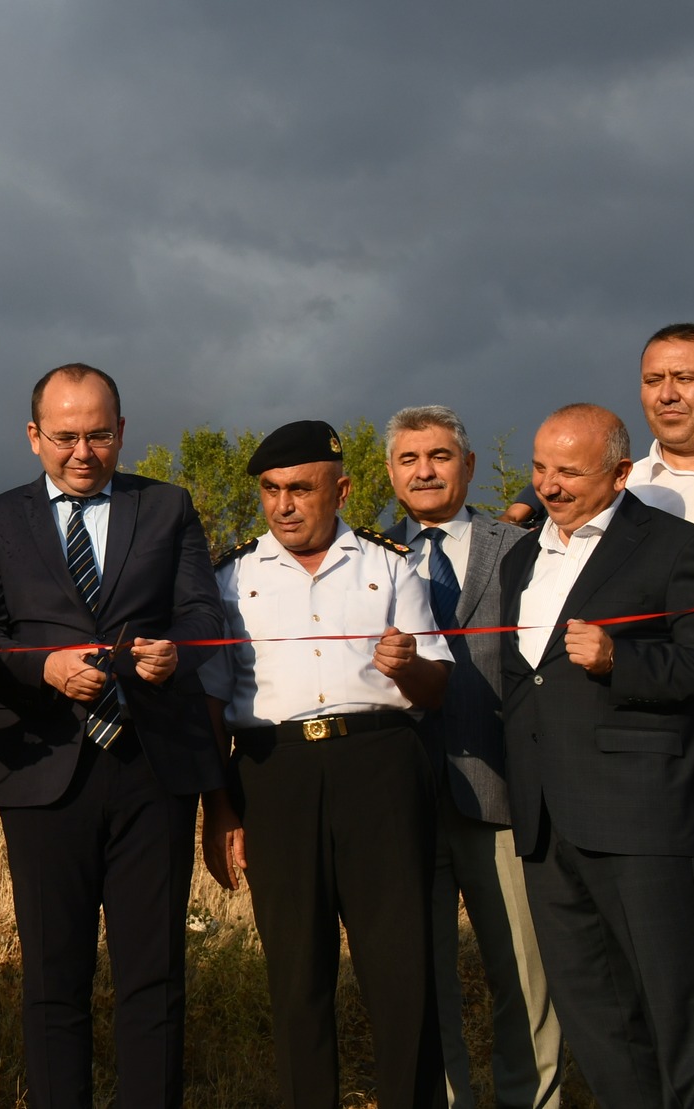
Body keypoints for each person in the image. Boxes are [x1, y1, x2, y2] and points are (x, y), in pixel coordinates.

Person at [0, 365, 226, 1109]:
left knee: (154, 976)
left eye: (100, 435)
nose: (84, 452)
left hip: (152, 769)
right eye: (67, 436)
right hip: (44, 771)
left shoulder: (168, 507)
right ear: (34, 436)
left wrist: (178, 651)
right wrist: (43, 667)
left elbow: (205, 615)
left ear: (121, 430)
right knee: (53, 979)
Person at [200, 419, 452, 1109]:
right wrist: (218, 808)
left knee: (401, 971)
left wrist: (407, 670)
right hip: (273, 773)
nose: (284, 504)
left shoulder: (390, 564)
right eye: (271, 490)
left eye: (300, 489)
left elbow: (437, 686)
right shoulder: (231, 575)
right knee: (296, 973)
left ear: (340, 488)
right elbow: (214, 706)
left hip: (379, 768)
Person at [499, 403, 694, 1108]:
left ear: (621, 472)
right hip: (546, 825)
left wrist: (621, 661)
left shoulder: (679, 545)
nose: (550, 484)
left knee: (683, 1014)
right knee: (597, 1017)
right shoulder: (520, 554)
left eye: (570, 470)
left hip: (647, 820)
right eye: (541, 467)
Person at [383, 406, 562, 1109]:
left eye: (439, 455)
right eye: (409, 458)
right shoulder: (366, 556)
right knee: (424, 987)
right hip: (402, 807)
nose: (424, 470)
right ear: (392, 472)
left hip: (502, 797)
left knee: (523, 979)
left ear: (469, 464)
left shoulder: (523, 545)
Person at [627, 324, 694, 817]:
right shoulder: (622, 499)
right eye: (653, 380)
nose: (666, 394)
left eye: (684, 377)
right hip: (671, 748)